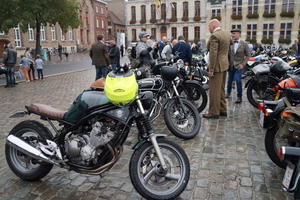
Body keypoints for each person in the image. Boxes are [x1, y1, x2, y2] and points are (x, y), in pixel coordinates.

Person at [203, 19, 232, 119]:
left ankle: (214, 112)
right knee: (221, 89)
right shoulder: (227, 33)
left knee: (214, 91)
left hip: (217, 66)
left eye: (209, 26)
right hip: (224, 64)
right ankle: (222, 110)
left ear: (214, 26)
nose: (208, 28)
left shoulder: (215, 36)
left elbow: (213, 54)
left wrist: (211, 69)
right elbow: (231, 43)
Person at [226, 29, 251, 104]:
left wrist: (243, 64)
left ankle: (239, 97)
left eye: (233, 34)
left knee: (238, 80)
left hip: (239, 66)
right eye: (231, 34)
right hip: (231, 65)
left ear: (238, 34)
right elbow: (228, 54)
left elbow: (248, 55)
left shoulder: (244, 43)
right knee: (229, 80)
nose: (232, 35)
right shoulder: (230, 43)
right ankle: (228, 92)